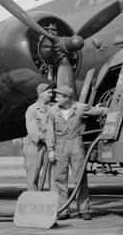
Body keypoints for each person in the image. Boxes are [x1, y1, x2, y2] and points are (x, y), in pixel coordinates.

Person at [48, 86, 106, 220]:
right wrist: (50, 149)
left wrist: (115, 109)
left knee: (80, 178)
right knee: (60, 180)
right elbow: (50, 131)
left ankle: (84, 209)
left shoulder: (79, 107)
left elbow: (99, 111)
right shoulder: (53, 111)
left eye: (58, 96)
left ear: (67, 98)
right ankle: (63, 211)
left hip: (76, 145)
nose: (55, 99)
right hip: (59, 147)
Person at [23, 83, 56, 192]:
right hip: (35, 146)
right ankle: (33, 202)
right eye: (49, 92)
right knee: (33, 176)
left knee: (53, 176)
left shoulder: (51, 109)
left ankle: (55, 202)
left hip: (48, 147)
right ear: (41, 94)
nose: (51, 95)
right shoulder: (32, 109)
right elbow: (33, 131)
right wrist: (48, 141)